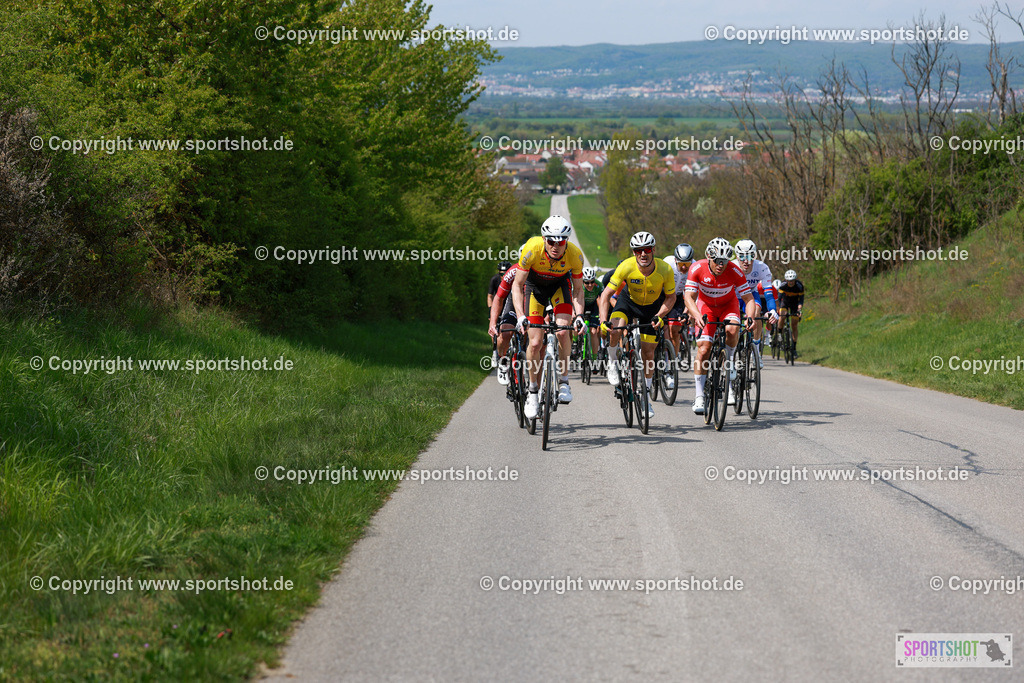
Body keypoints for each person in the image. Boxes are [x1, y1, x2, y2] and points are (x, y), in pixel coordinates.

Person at [512, 216, 586, 419]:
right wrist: (520, 316)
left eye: (560, 241)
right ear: (544, 239)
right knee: (535, 343)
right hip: (534, 289)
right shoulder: (531, 249)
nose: (555, 246)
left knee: (563, 331)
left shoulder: (575, 255)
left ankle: (564, 381)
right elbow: (517, 285)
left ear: (567, 241)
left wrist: (579, 316)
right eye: (551, 241)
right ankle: (532, 392)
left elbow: (578, 290)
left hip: (559, 287)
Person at [598, 232, 676, 418]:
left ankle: (645, 397)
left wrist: (660, 316)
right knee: (615, 329)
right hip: (628, 302)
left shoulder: (665, 269)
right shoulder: (626, 266)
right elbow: (606, 295)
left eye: (647, 249)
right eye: (638, 250)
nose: (643, 254)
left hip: (652, 308)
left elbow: (671, 297)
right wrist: (602, 321)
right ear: (633, 252)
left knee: (648, 353)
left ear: (653, 250)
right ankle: (612, 363)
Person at [682, 237, 756, 415]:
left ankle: (728, 363)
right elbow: (689, 297)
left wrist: (750, 317)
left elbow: (749, 299)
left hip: (728, 306)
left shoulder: (734, 271)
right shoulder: (697, 268)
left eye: (724, 261)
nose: (721, 265)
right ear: (708, 256)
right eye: (717, 260)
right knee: (704, 349)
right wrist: (696, 314)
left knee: (732, 329)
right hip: (705, 307)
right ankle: (699, 396)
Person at [733, 239, 778, 370]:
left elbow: (768, 294)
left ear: (755, 256)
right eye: (742, 256)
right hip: (733, 297)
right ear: (737, 256)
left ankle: (756, 351)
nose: (746, 261)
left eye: (750, 256)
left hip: (751, 295)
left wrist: (772, 310)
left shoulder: (762, 268)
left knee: (757, 312)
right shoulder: (731, 267)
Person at [662, 243, 694, 386]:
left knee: (675, 329)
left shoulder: (694, 267)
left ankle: (671, 366)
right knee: (663, 329)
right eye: (681, 264)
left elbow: (692, 294)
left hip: (679, 298)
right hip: (662, 297)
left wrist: (687, 312)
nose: (684, 267)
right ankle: (660, 355)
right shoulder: (667, 263)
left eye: (687, 264)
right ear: (675, 260)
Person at [488, 262, 523, 385]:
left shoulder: (544, 269)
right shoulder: (511, 272)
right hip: (511, 302)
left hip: (531, 302)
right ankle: (502, 360)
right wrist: (492, 321)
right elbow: (495, 297)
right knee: (505, 332)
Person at [778, 269, 805, 357]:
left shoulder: (799, 286)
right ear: (786, 280)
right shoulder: (782, 285)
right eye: (789, 281)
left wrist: (799, 310)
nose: (791, 282)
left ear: (795, 280)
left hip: (795, 304)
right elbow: (779, 299)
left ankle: (794, 348)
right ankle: (779, 334)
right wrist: (778, 309)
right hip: (785, 303)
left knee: (794, 325)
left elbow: (801, 300)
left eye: (792, 281)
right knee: (782, 316)